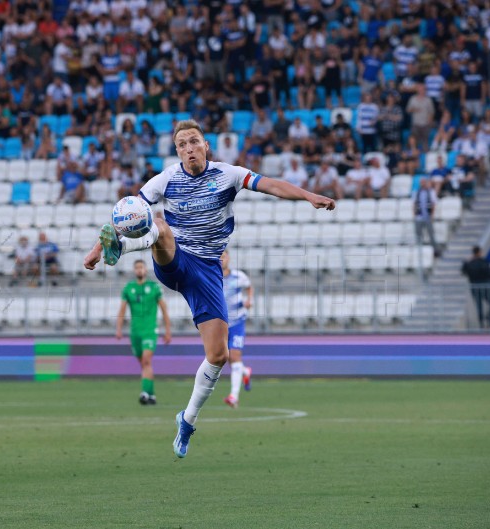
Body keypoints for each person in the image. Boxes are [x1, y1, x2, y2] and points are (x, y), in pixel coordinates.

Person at [83, 119, 335, 458]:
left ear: (206, 146)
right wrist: (100, 248)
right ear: (177, 152)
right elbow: (129, 212)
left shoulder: (227, 175)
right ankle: (123, 249)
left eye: (194, 142)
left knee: (219, 355)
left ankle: (187, 421)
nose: (189, 148)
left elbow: (270, 184)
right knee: (159, 224)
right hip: (175, 261)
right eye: (182, 144)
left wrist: (307, 196)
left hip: (207, 272)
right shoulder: (166, 179)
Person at [116, 259, 172, 405]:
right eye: (137, 268)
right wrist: (119, 329)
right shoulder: (128, 288)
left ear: (146, 270)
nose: (139, 270)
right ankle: (152, 395)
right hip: (135, 332)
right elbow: (122, 309)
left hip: (150, 330)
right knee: (144, 364)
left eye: (141, 267)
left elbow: (164, 309)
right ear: (134, 271)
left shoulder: (154, 287)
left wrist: (168, 330)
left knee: (147, 361)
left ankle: (145, 393)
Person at [220, 249, 254, 408]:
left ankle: (234, 396)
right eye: (219, 257)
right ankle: (245, 372)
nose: (221, 259)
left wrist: (249, 300)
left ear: (229, 258)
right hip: (221, 324)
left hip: (238, 322)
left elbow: (249, 287)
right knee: (229, 358)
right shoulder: (214, 278)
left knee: (235, 355)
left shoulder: (238, 276)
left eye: (224, 256)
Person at [461, 246, 490, 328]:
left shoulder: (470, 263)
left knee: (479, 306)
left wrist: (466, 262)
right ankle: (488, 318)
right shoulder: (484, 262)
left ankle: (481, 323)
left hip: (474, 286)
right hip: (486, 285)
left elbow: (463, 272)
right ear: (479, 252)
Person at [413, 177, 440, 258]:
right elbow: (414, 204)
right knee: (418, 234)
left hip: (427, 216)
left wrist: (432, 215)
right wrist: (414, 214)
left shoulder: (431, 192)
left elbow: (433, 204)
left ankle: (435, 251)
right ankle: (420, 251)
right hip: (419, 216)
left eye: (424, 182)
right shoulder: (416, 192)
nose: (423, 184)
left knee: (431, 234)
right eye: (421, 182)